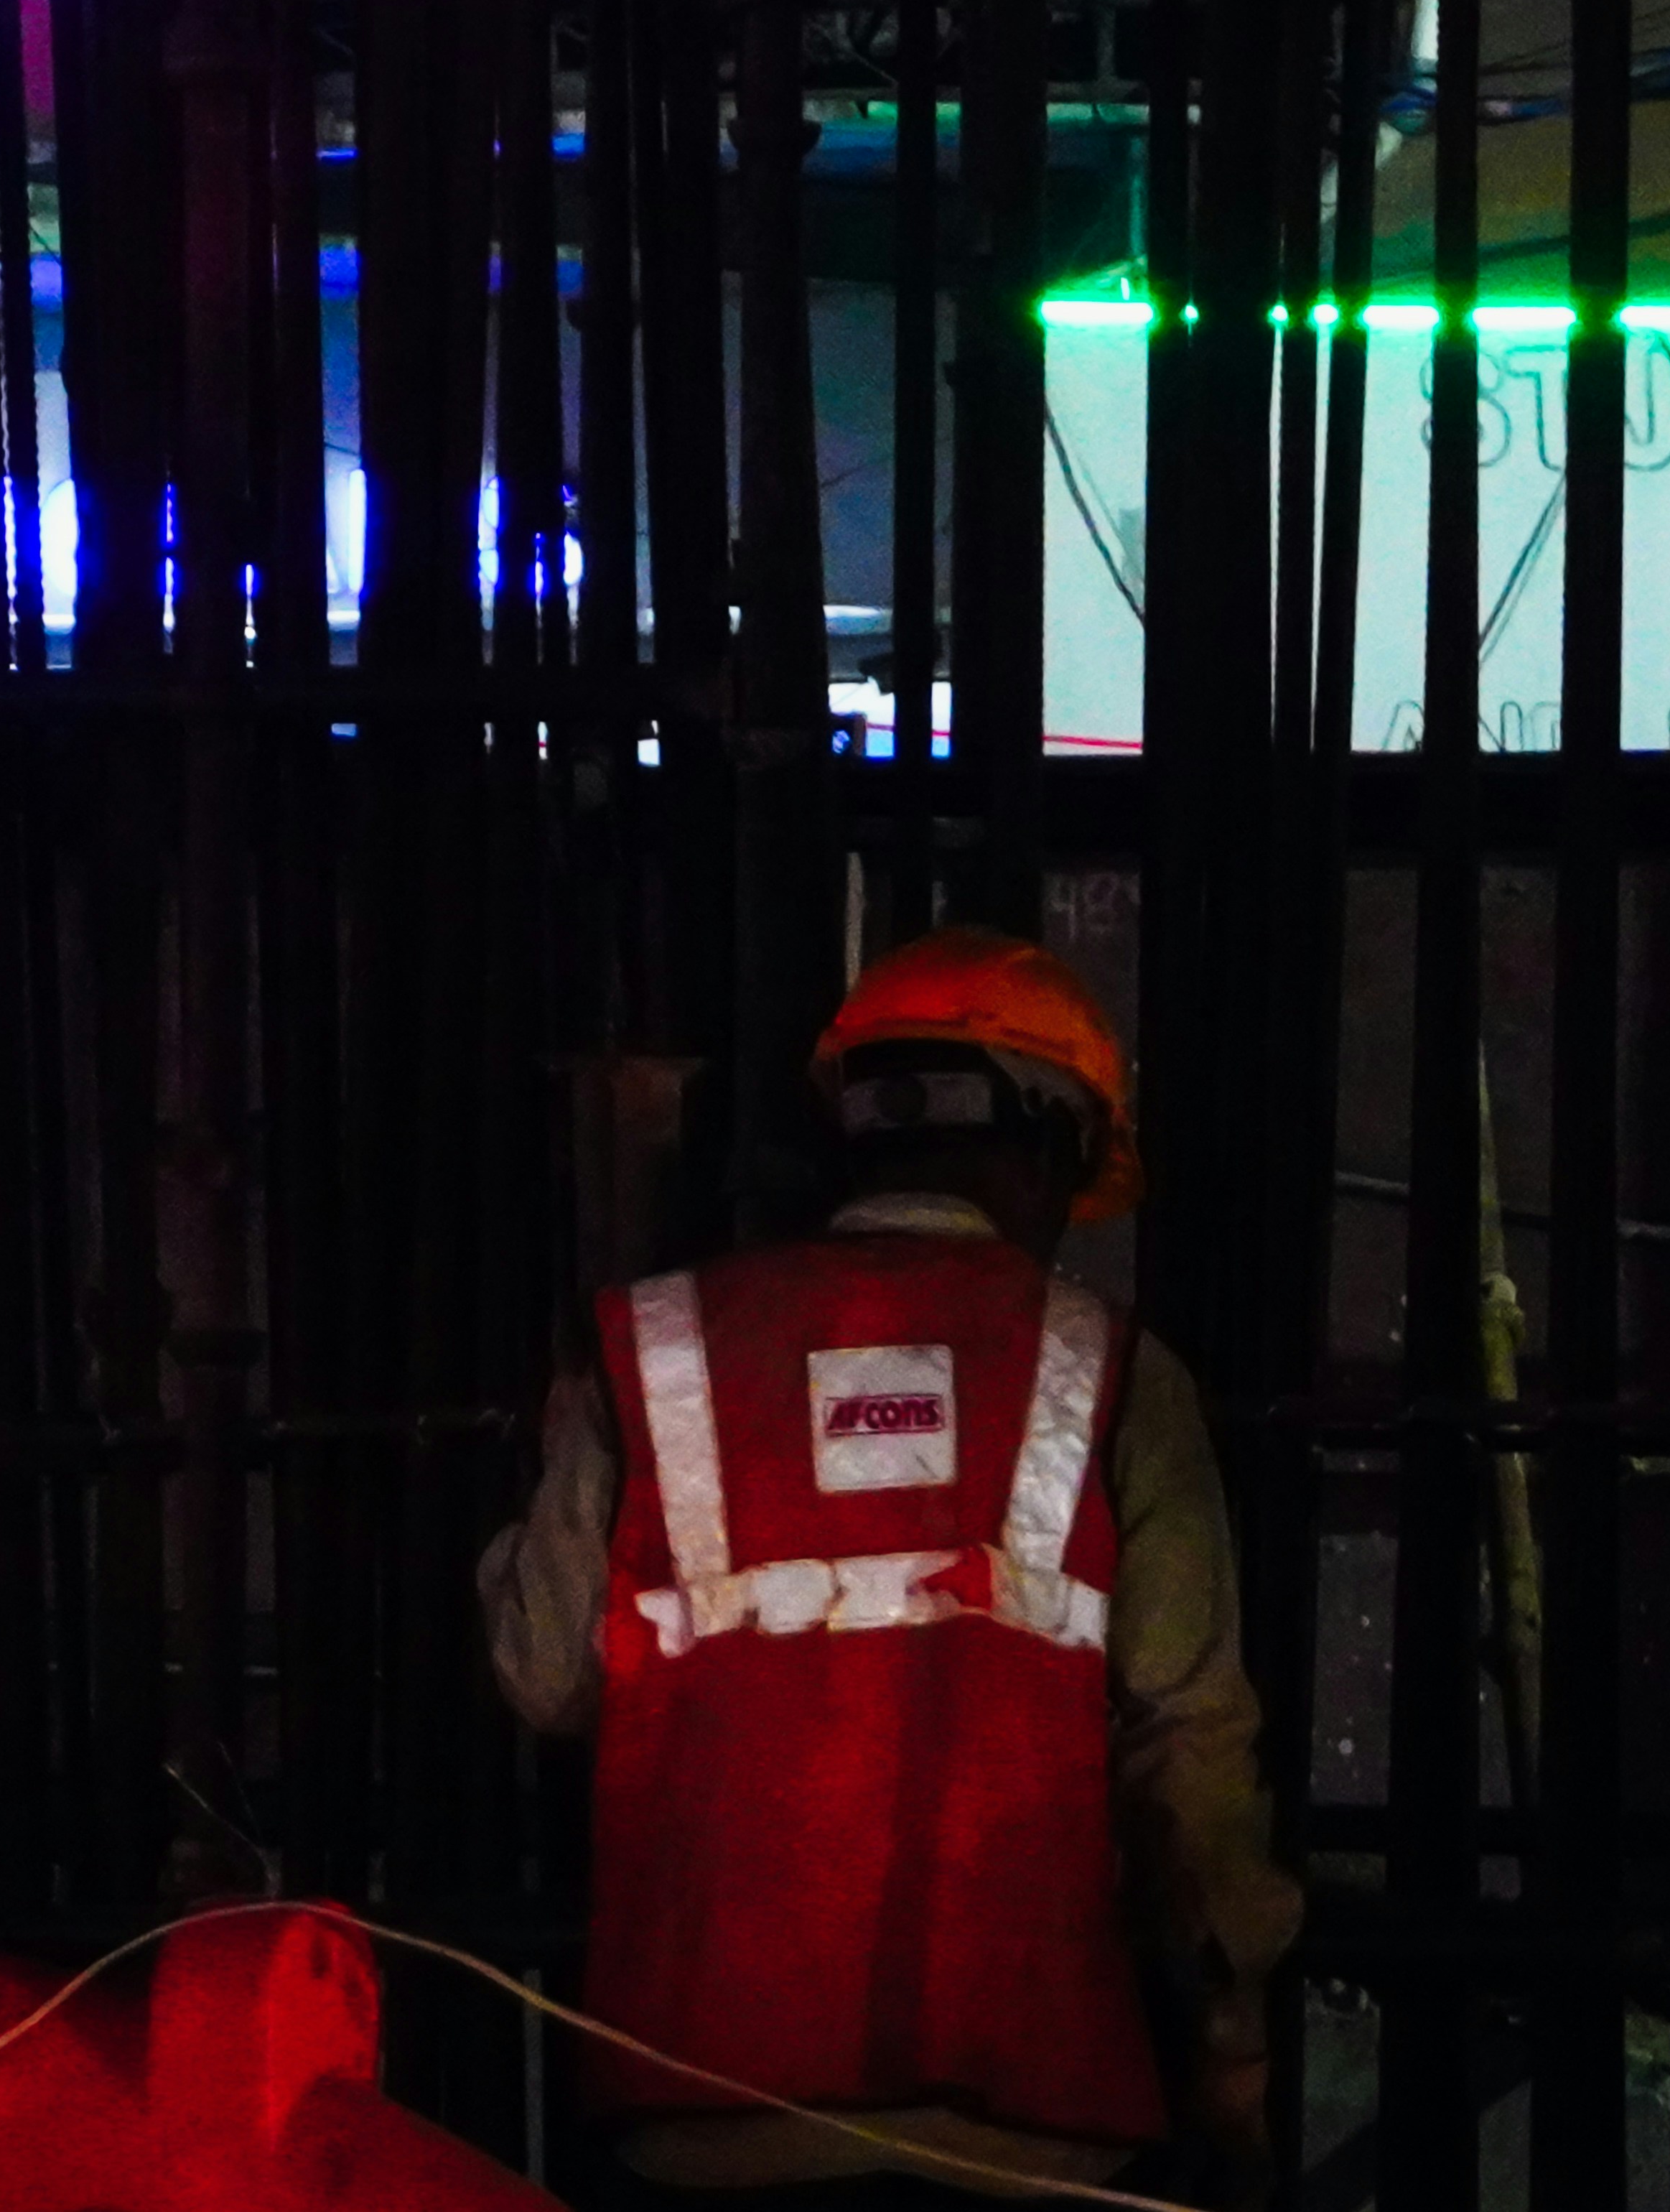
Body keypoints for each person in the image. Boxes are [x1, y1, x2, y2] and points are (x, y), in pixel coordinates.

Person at [476, 929, 1300, 2206]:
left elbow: (543, 1676)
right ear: (1056, 1144)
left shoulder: (653, 1352)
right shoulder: (1119, 1376)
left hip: (696, 2121)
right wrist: (1231, 2066)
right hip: (1035, 2129)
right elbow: (1192, 1765)